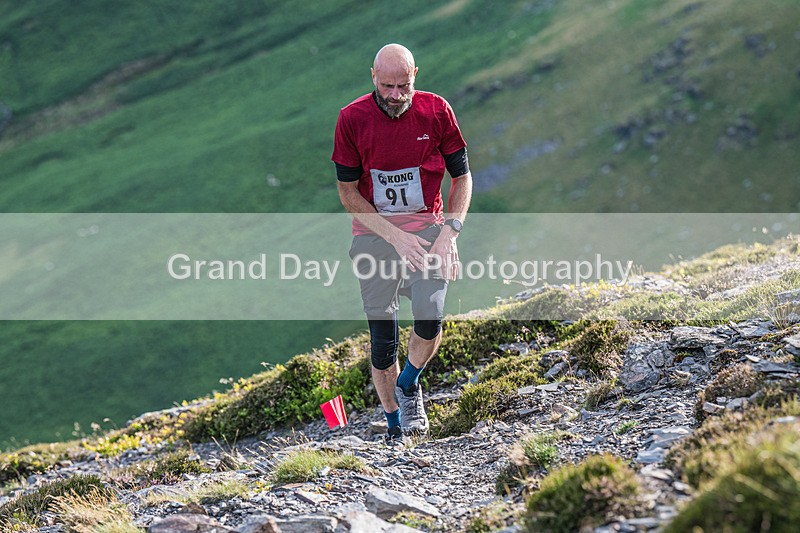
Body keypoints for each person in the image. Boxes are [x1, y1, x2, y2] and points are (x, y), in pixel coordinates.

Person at [332, 43, 473, 445]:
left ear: (416, 76)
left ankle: (409, 386)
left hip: (430, 227)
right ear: (373, 77)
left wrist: (450, 231)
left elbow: (462, 178)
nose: (396, 95)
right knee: (383, 338)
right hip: (374, 234)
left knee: (431, 315)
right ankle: (395, 424)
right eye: (388, 86)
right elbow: (347, 193)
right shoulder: (352, 118)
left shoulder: (437, 110)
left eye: (404, 86)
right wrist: (395, 237)